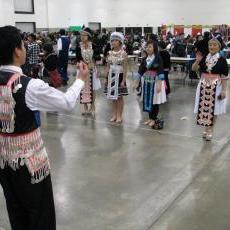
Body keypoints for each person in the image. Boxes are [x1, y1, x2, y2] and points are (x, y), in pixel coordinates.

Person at [0, 26, 88, 230]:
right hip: (30, 164)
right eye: (22, 44)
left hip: (4, 162)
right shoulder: (29, 85)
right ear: (16, 51)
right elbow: (66, 102)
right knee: (40, 215)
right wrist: (80, 81)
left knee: (16, 211)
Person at [192, 36, 229, 141]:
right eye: (210, 45)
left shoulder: (222, 60)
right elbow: (194, 69)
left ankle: (210, 130)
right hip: (203, 85)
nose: (212, 47)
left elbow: (224, 77)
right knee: (204, 107)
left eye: (214, 45)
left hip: (216, 86)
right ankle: (206, 128)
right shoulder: (204, 58)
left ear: (219, 47)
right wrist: (197, 61)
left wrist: (224, 90)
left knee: (214, 109)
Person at [138, 40, 166, 128]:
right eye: (147, 46)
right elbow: (141, 71)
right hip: (146, 82)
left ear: (154, 48)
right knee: (148, 101)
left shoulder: (158, 58)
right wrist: (136, 82)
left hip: (155, 82)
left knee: (155, 101)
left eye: (150, 46)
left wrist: (159, 83)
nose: (148, 48)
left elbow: (160, 70)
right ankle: (150, 118)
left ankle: (154, 119)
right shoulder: (144, 59)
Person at [76, 27, 101, 117]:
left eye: (84, 35)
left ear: (88, 36)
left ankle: (93, 106)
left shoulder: (93, 45)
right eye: (81, 35)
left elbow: (98, 58)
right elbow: (77, 59)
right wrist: (79, 64)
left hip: (92, 69)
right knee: (82, 88)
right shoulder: (79, 46)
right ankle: (85, 107)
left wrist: (96, 67)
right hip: (82, 69)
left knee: (93, 88)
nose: (82, 37)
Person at [104, 32, 128, 123]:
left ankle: (119, 115)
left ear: (120, 42)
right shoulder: (109, 53)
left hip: (120, 77)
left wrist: (123, 80)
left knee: (119, 97)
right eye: (112, 40)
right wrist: (106, 78)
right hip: (111, 76)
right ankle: (114, 114)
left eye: (115, 40)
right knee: (112, 97)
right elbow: (107, 66)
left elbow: (125, 68)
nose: (113, 42)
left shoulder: (123, 54)